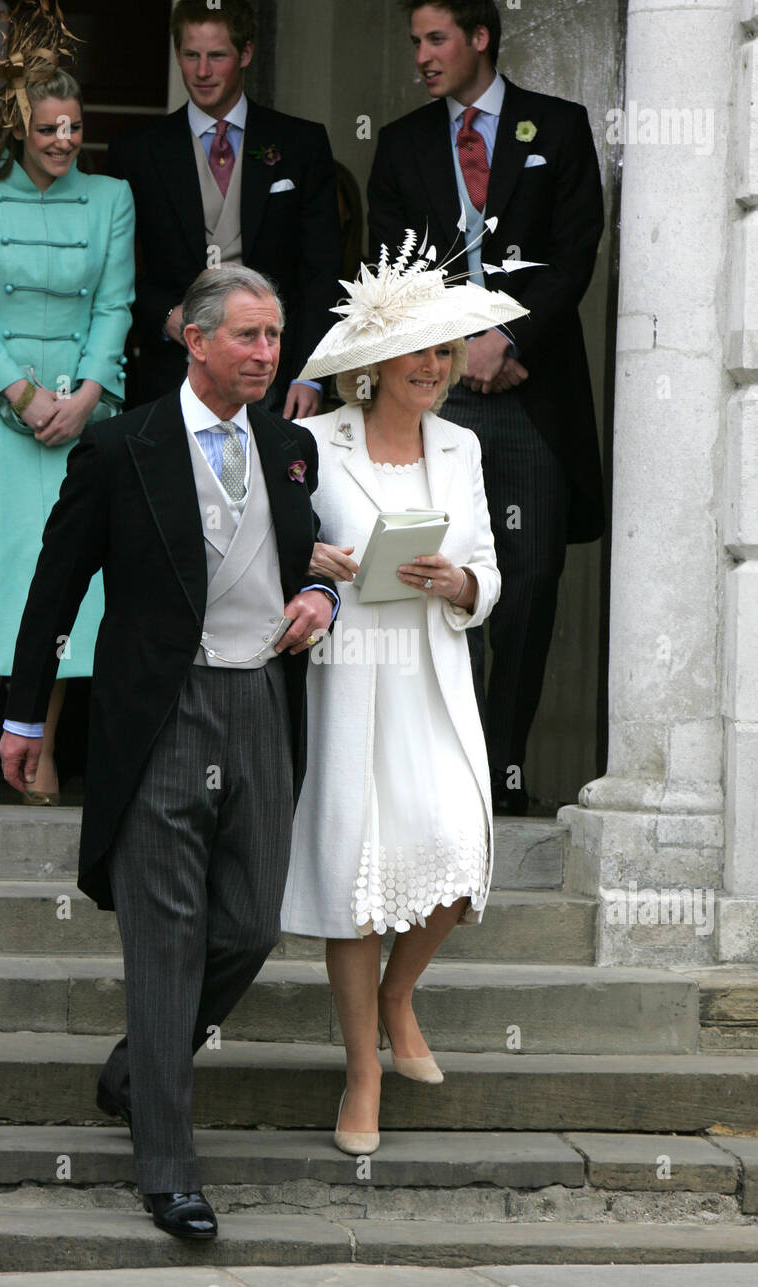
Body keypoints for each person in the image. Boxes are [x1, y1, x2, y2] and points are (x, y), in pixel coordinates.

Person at [0, 265, 337, 1239]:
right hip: (159, 715)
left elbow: (306, 558)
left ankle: (137, 1068)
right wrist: (25, 717)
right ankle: (169, 1170)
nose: (268, 354)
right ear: (194, 340)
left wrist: (324, 598)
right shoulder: (121, 446)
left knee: (248, 925)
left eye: (276, 336)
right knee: (164, 939)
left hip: (260, 709)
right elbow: (55, 587)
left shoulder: (290, 448)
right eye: (248, 336)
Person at [281, 241, 526, 1151]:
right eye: (418, 353)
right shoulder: (312, 441)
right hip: (350, 678)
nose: (433, 368)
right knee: (357, 873)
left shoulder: (460, 444)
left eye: (443, 353)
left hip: (432, 667)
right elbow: (270, 546)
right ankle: (362, 1070)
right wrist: (314, 561)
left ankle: (397, 994)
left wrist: (460, 583)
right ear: (375, 362)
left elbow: (489, 572)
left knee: (461, 848)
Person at [367, 0, 605, 814]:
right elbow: (390, 267)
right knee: (442, 578)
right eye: (415, 43)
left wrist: (511, 339)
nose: (423, 57)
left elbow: (575, 254)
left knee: (530, 578)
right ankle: (451, 766)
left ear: (479, 38)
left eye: (436, 40)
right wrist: (460, 348)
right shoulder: (400, 144)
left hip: (532, 395)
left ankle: (501, 770)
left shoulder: (560, 127)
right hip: (440, 393)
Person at [0, 11, 135, 806]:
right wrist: (21, 392)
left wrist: (86, 399)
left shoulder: (112, 199)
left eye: (74, 126)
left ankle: (35, 756)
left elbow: (117, 308)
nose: (65, 139)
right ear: (19, 130)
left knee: (69, 577)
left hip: (81, 418)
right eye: (48, 127)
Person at [107, 0, 341, 419]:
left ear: (246, 53)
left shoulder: (301, 144)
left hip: (275, 377)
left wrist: (310, 374)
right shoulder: (137, 151)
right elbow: (115, 271)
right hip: (170, 376)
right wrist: (166, 315)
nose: (201, 72)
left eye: (217, 56)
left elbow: (321, 269)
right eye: (191, 55)